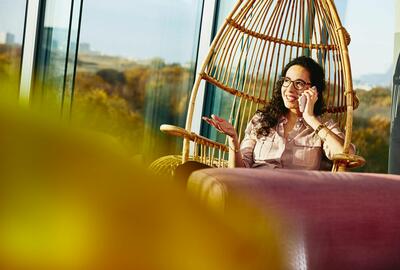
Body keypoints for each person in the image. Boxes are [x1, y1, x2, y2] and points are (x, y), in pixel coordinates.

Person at [175, 56, 354, 181]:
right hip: (250, 188)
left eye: (299, 83)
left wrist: (309, 117)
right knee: (188, 171)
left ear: (313, 90)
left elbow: (347, 155)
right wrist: (233, 139)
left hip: (291, 198)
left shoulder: (322, 127)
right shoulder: (261, 119)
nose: (290, 89)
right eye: (286, 81)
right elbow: (238, 172)